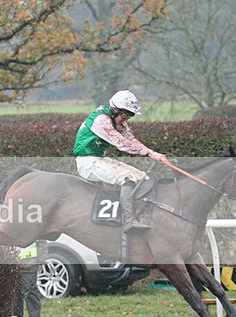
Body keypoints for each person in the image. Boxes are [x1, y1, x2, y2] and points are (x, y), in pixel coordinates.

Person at [72, 90, 169, 232]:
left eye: (130, 116)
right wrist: (150, 153)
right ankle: (129, 220)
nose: (126, 119)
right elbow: (121, 143)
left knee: (142, 177)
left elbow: (130, 139)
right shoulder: (101, 119)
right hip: (87, 162)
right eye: (124, 115)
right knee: (127, 178)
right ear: (114, 109)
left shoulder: (116, 119)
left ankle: (143, 215)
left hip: (100, 159)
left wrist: (154, 153)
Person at [16, 242, 45, 317]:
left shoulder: (34, 228)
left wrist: (41, 261)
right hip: (15, 265)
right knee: (16, 294)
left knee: (30, 292)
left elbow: (41, 243)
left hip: (29, 265)